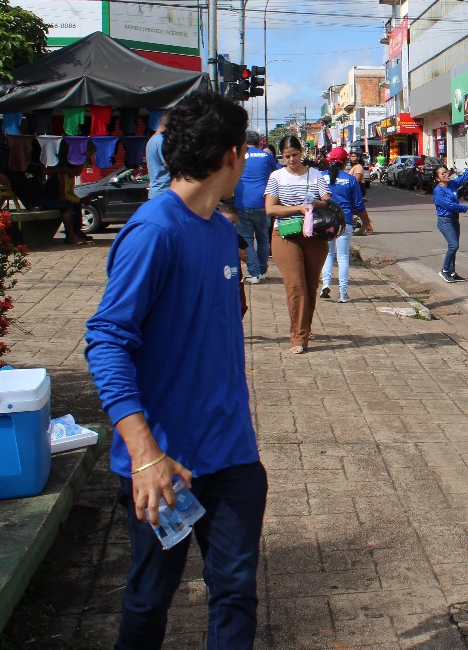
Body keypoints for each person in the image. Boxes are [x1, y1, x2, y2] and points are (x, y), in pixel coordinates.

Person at [85, 91, 266, 650]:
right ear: (233, 154)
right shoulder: (154, 231)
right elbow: (107, 340)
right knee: (150, 595)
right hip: (166, 463)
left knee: (235, 591)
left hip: (231, 454)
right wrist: (145, 454)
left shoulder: (218, 229)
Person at [265, 136, 329, 354]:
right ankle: (298, 337)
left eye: (294, 154)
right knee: (295, 285)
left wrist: (313, 204)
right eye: (286, 156)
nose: (291, 159)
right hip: (284, 233)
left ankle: (305, 327)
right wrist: (298, 209)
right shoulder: (276, 177)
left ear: (302, 152)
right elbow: (270, 209)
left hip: (314, 234)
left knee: (310, 286)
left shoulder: (315, 174)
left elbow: (327, 200)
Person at [234, 130, 279, 283]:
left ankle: (253, 273)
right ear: (259, 143)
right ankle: (262, 271)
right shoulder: (267, 156)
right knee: (263, 238)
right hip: (264, 202)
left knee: (246, 239)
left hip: (243, 202)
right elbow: (277, 173)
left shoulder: (238, 156)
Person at [319, 147, 364, 302]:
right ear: (345, 162)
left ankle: (325, 284)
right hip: (344, 221)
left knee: (328, 254)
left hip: (325, 221)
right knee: (343, 257)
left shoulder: (320, 176)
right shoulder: (350, 179)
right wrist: (367, 222)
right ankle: (343, 294)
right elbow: (358, 205)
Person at [434, 160, 468, 283]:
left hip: (454, 219)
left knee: (453, 246)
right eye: (442, 174)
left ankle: (452, 272)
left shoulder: (451, 184)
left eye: (446, 172)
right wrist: (467, 207)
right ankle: (444, 271)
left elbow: (462, 179)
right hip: (445, 221)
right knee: (453, 245)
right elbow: (450, 205)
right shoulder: (438, 191)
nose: (446, 174)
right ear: (437, 179)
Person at [41, 161, 93, 245]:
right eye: (80, 168)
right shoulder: (62, 176)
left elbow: (70, 193)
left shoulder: (71, 177)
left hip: (58, 199)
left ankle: (77, 232)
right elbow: (63, 196)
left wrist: (80, 200)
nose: (81, 170)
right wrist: (80, 200)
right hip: (48, 200)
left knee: (76, 205)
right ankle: (70, 236)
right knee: (67, 207)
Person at [145, 113, 170, 199]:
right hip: (164, 192)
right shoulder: (162, 141)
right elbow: (169, 164)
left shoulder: (153, 139)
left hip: (156, 192)